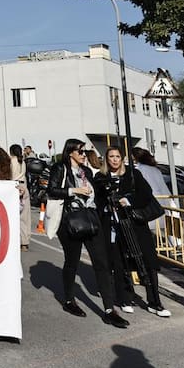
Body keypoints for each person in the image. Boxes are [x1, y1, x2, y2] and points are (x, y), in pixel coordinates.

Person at [47, 138, 128, 328]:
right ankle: (68, 300)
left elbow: (96, 195)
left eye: (84, 152)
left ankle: (109, 310)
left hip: (91, 219)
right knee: (72, 261)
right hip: (71, 220)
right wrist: (74, 190)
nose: (84, 155)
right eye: (81, 152)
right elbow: (51, 190)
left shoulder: (87, 172)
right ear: (71, 153)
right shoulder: (60, 168)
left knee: (102, 263)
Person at [97, 147, 170, 317]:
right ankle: (124, 298)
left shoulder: (132, 174)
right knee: (120, 262)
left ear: (122, 158)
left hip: (136, 223)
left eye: (117, 156)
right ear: (106, 159)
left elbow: (146, 194)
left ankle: (155, 302)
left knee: (148, 262)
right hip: (114, 226)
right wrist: (108, 205)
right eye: (111, 157)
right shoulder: (100, 177)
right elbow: (98, 201)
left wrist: (128, 201)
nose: (114, 160)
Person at [10, 144, 31, 252]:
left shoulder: (11, 160)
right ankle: (25, 242)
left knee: (12, 216)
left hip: (13, 187)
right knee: (24, 217)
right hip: (24, 186)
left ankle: (13, 240)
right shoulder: (22, 161)